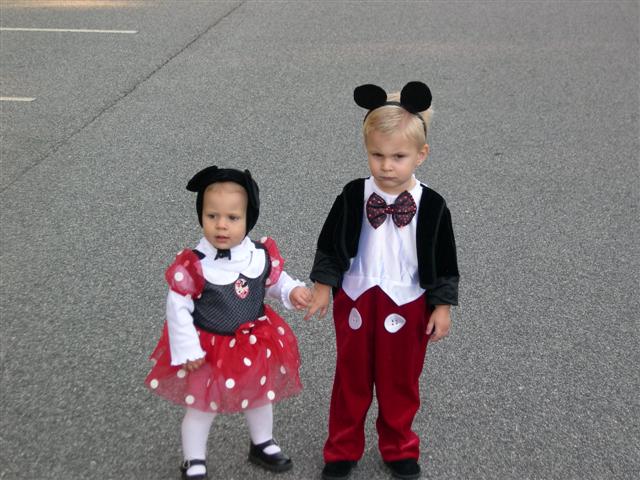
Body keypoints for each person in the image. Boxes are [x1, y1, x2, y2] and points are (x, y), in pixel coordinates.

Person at [305, 81, 460, 480]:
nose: (387, 166)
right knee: (351, 379)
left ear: (421, 155)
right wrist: (323, 286)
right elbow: (330, 243)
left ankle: (399, 447)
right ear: (367, 151)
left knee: (400, 382)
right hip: (356, 298)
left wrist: (442, 305)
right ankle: (341, 450)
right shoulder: (353, 194)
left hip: (408, 301)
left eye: (398, 156)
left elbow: (445, 260)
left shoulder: (432, 204)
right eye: (377, 155)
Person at [145, 166, 312, 480]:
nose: (221, 225)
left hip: (252, 341)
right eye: (212, 216)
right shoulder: (194, 264)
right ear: (201, 215)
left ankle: (262, 442)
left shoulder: (259, 255)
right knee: (201, 406)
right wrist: (187, 348)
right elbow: (177, 307)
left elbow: (273, 281)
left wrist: (292, 290)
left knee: (261, 395)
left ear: (249, 218)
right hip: (208, 347)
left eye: (233, 218)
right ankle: (194, 460)